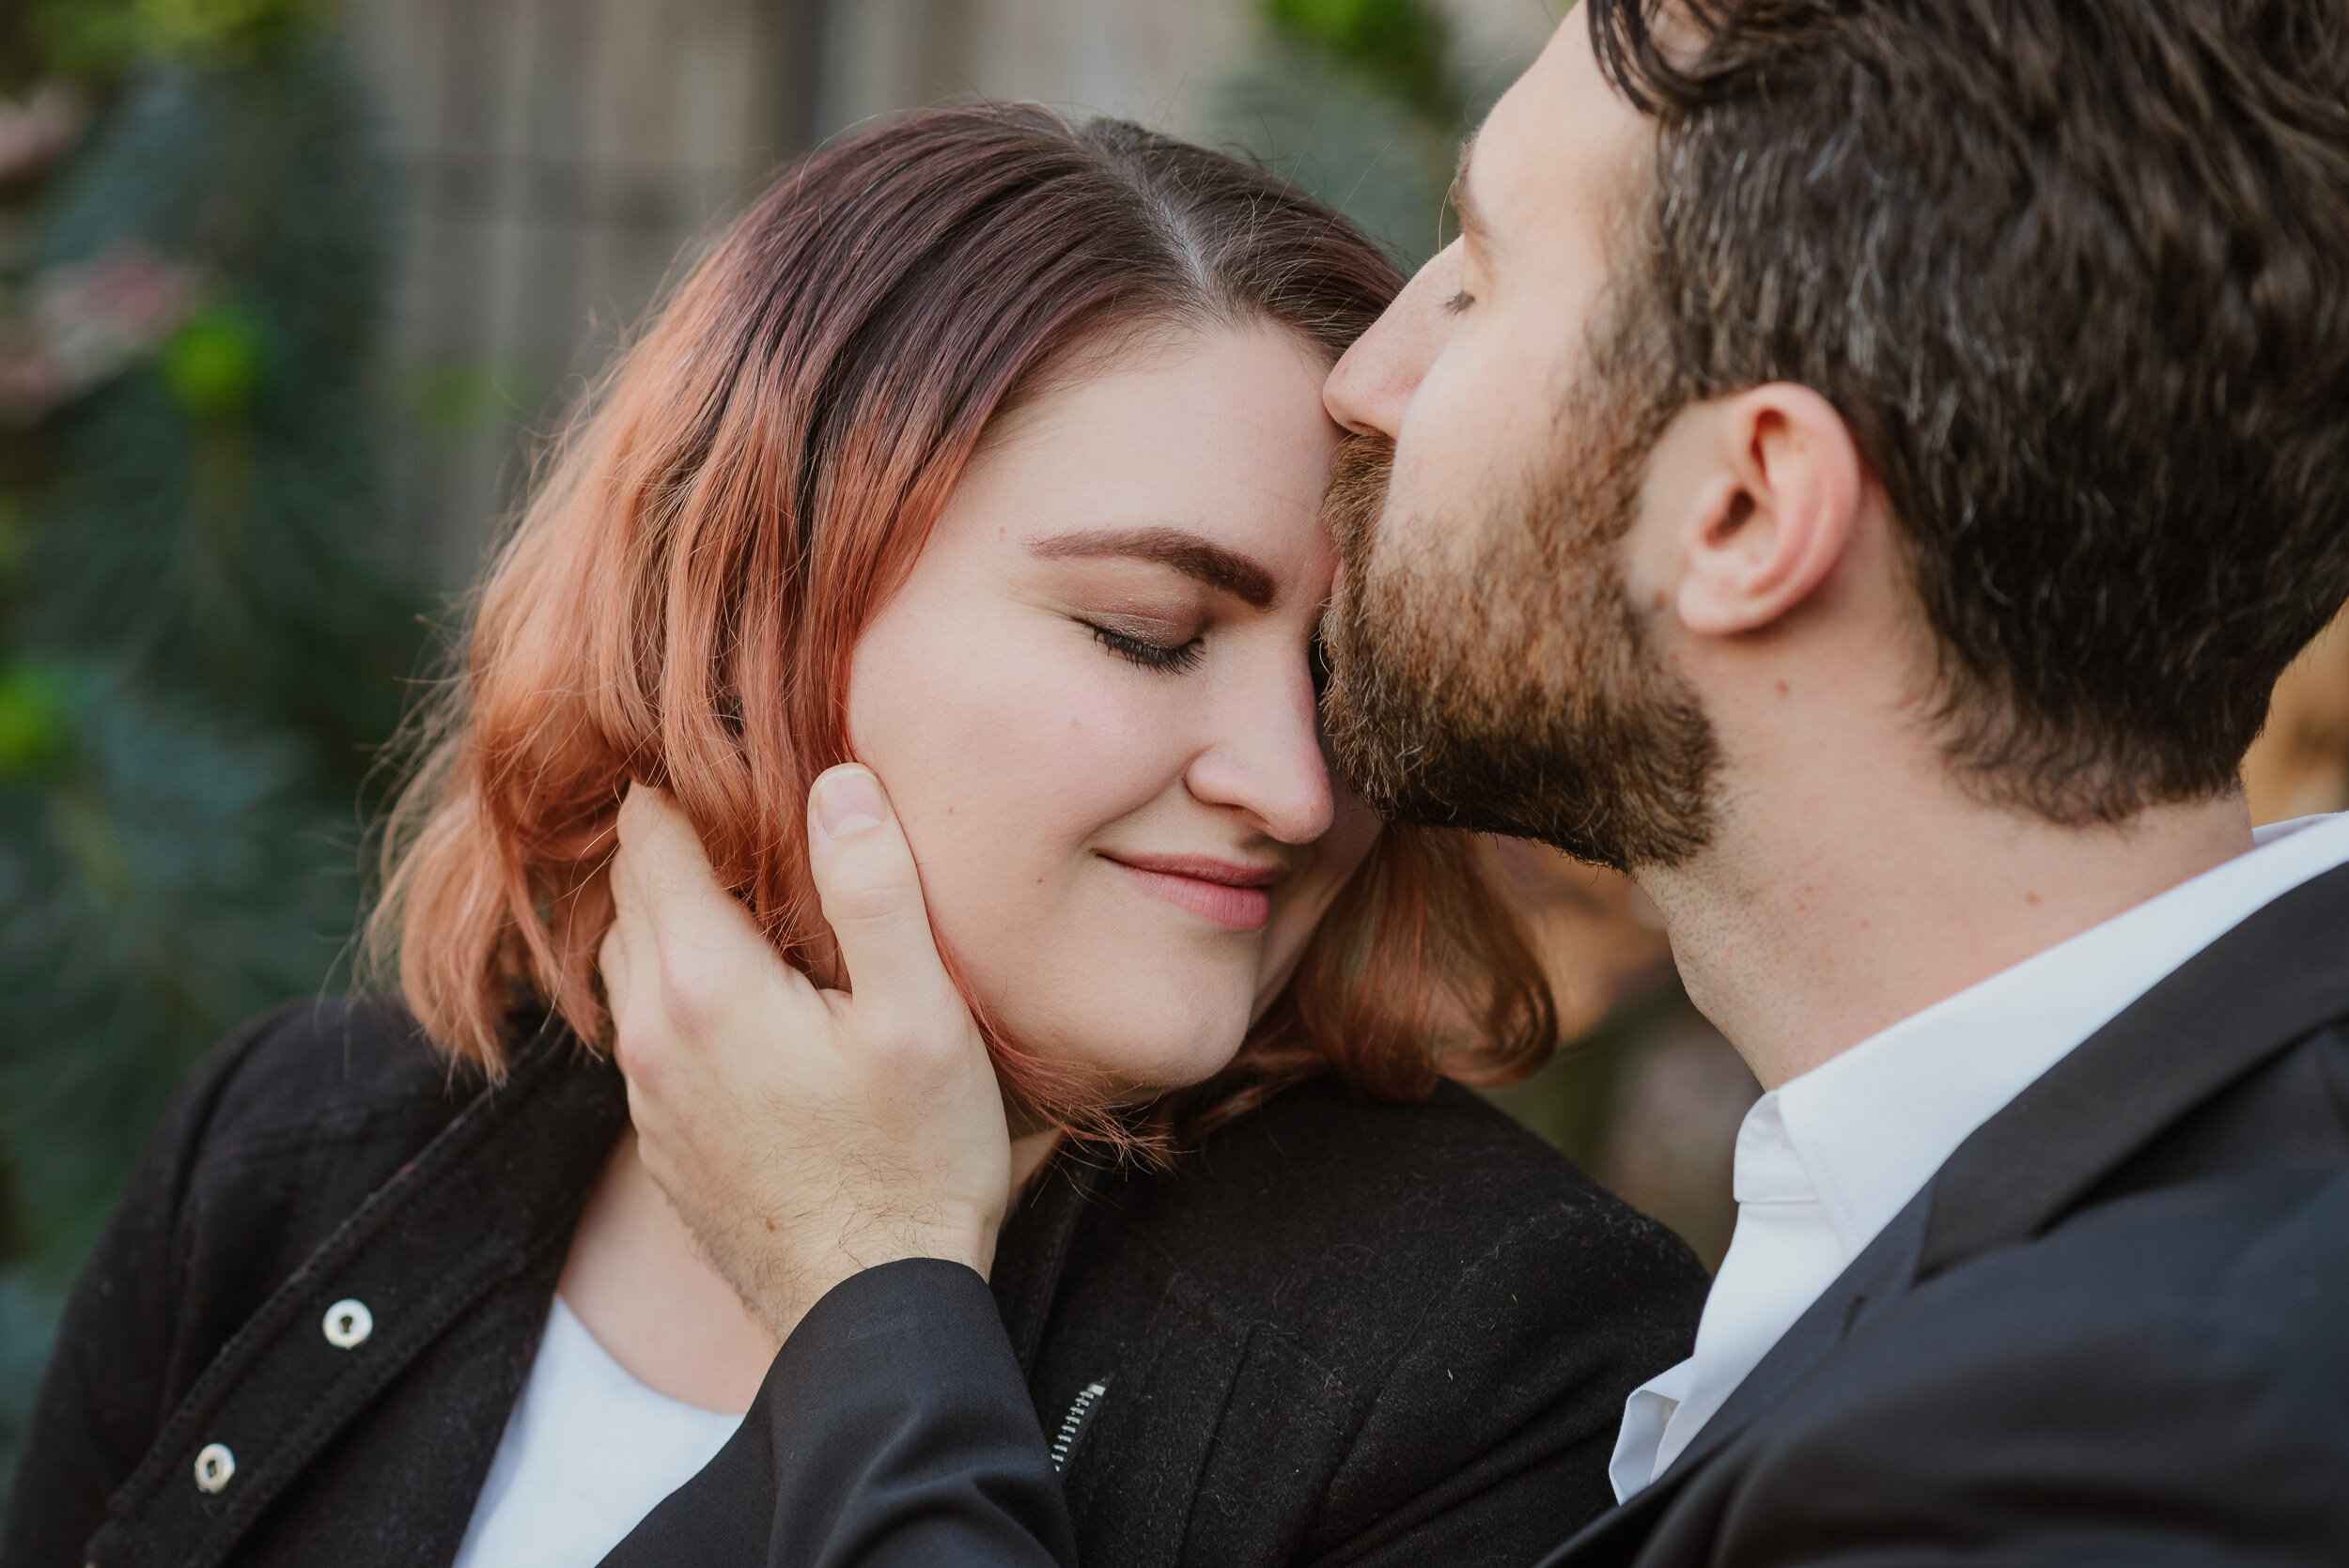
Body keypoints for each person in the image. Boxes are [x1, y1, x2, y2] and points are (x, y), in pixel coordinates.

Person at [581, 2, 2349, 1563]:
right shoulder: (2055, 1243)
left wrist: (873, 1301)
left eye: (1483, 276)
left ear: (1739, 512)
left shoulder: (2120, 1446)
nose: (1373, 374)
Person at [0, 105, 1712, 1568]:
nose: (1299, 784)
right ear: (757, 614)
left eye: (1342, 676)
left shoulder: (1485, 1353)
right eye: (1148, 628)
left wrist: (871, 1289)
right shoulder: (294, 1154)